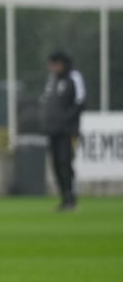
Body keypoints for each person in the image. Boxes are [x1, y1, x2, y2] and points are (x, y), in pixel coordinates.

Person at [41, 50, 87, 212]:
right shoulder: (52, 80)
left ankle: (71, 199)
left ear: (63, 63)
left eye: (55, 64)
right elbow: (47, 102)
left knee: (65, 163)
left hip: (68, 132)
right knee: (55, 165)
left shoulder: (74, 77)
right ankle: (64, 199)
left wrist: (66, 120)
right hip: (52, 131)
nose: (52, 67)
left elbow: (80, 102)